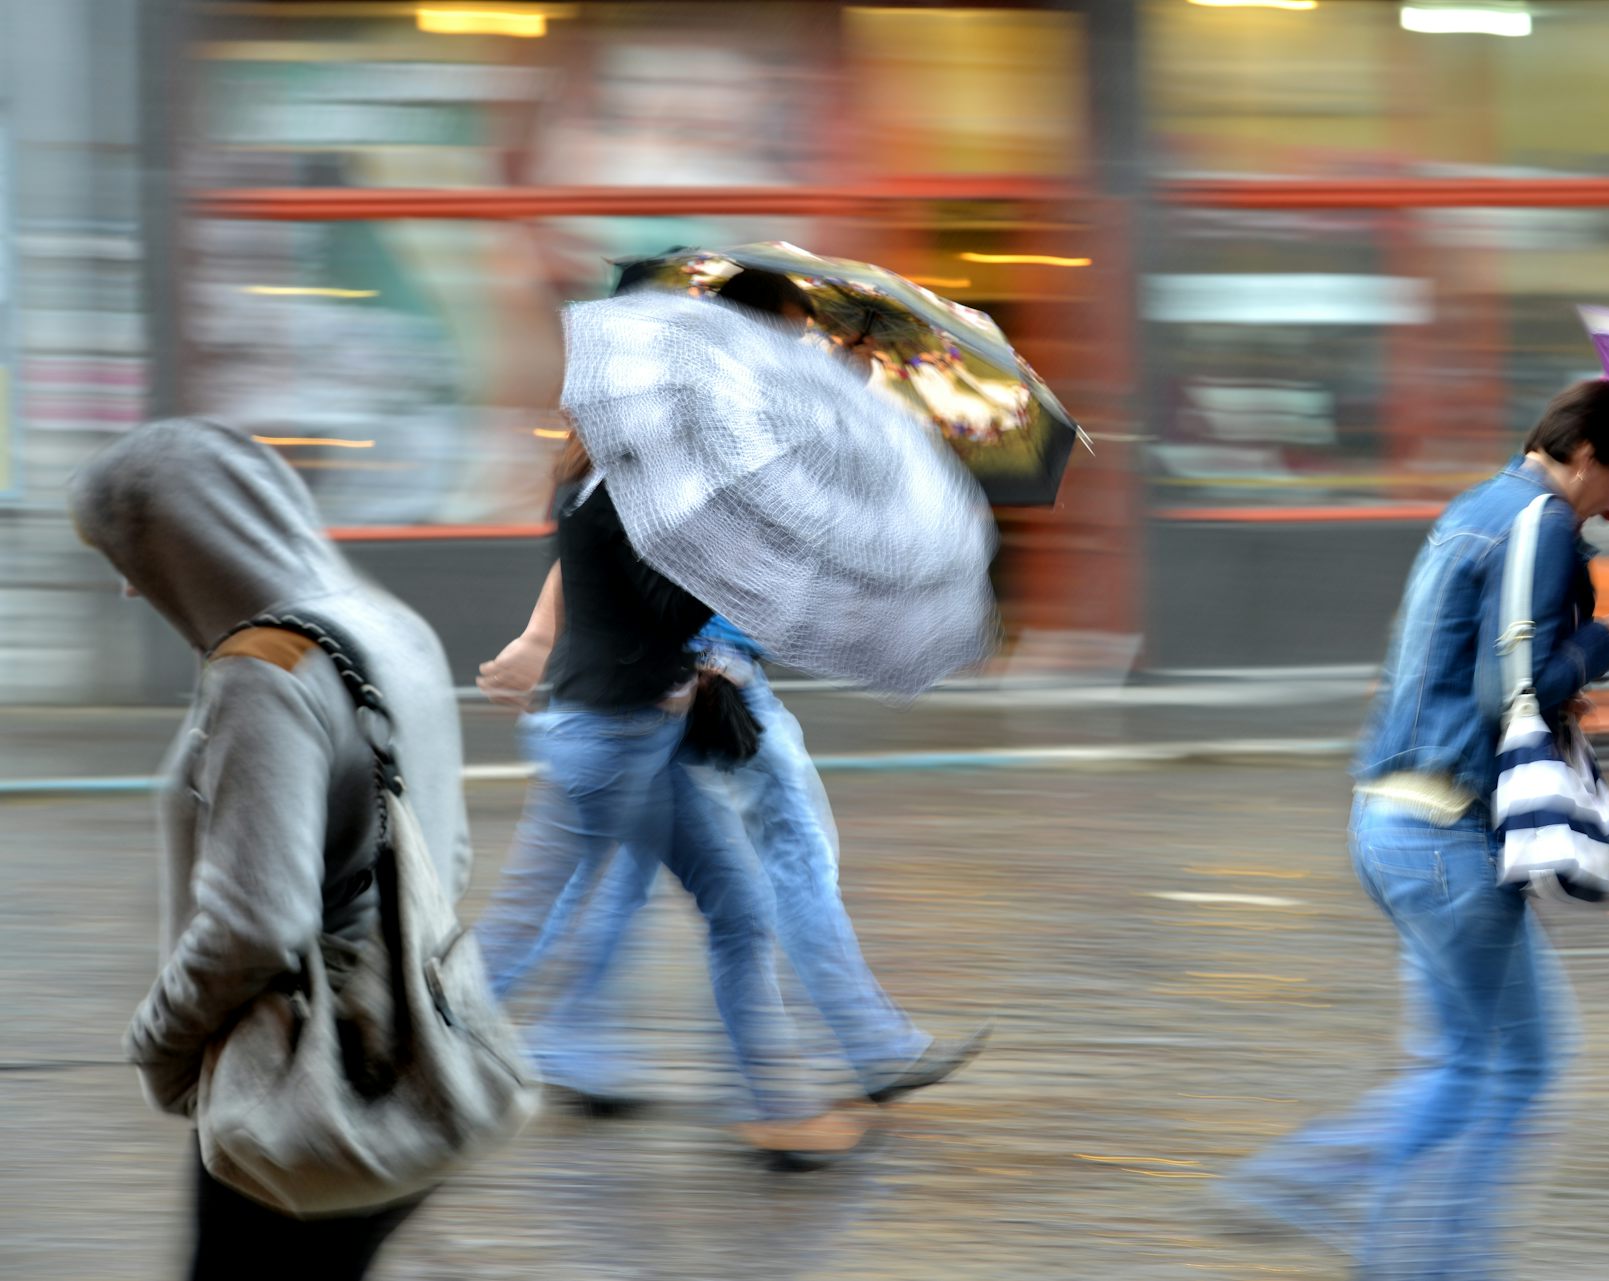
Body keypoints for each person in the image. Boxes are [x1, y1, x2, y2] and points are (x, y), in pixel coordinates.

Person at [477, 268, 986, 1111]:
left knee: (648, 882)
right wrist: (695, 657)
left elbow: (620, 545)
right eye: (801, 331)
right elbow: (661, 555)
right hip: (686, 690)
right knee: (777, 862)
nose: (811, 346)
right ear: (765, 336)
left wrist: (550, 642)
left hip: (645, 701)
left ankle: (587, 1041)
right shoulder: (714, 432)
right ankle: (832, 1066)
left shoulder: (663, 435)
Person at [1222, 380, 1609, 1279]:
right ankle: (1327, 1200)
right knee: (1510, 1067)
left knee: (1465, 1063)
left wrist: (1565, 669)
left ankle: (1379, 1244)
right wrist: (1608, 641)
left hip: (1390, 820)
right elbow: (1515, 689)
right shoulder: (1540, 522)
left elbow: (1477, 671)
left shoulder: (1478, 506)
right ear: (1583, 452)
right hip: (1446, 837)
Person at [69, 419, 475, 1280]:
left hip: (301, 1085)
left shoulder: (267, 671)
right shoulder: (385, 625)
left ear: (182, 540)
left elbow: (255, 926)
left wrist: (159, 1044)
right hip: (415, 1064)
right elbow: (452, 851)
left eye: (126, 555)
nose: (130, 592)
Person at [475, 426, 866, 1161]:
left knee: (738, 907)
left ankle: (777, 1108)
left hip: (630, 740)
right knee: (520, 928)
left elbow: (640, 607)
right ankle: (391, 1062)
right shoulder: (631, 494)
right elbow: (669, 606)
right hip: (611, 746)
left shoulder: (603, 480)